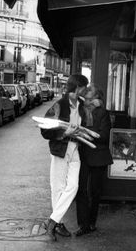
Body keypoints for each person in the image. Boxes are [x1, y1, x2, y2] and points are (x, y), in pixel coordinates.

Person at [41, 74, 88, 241]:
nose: (85, 90)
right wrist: (64, 133)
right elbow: (45, 130)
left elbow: (85, 124)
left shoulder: (82, 105)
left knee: (73, 186)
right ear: (77, 87)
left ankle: (52, 221)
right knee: (58, 188)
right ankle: (58, 224)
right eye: (83, 87)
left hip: (75, 149)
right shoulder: (60, 104)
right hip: (61, 148)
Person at [75, 85, 113, 236]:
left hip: (98, 156)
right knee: (81, 190)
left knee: (95, 192)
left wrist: (84, 133)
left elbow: (104, 136)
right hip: (81, 155)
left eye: (91, 99)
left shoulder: (102, 112)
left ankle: (91, 223)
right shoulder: (79, 111)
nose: (88, 102)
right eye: (86, 98)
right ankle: (83, 225)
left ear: (97, 98)